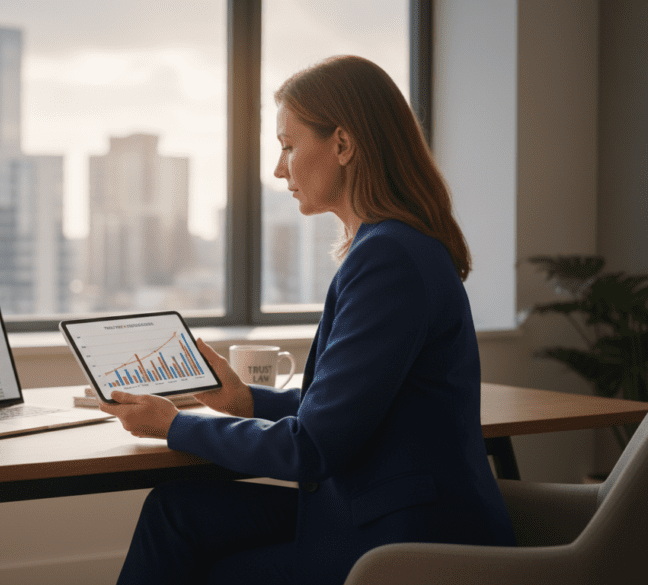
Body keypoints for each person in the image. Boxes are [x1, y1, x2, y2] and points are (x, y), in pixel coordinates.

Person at [98, 55, 516, 585]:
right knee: (177, 511)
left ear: (342, 145)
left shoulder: (388, 259)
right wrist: (242, 401)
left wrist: (173, 425)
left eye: (289, 146)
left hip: (404, 538)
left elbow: (313, 448)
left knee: (217, 569)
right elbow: (347, 414)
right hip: (377, 507)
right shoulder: (391, 248)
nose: (278, 169)